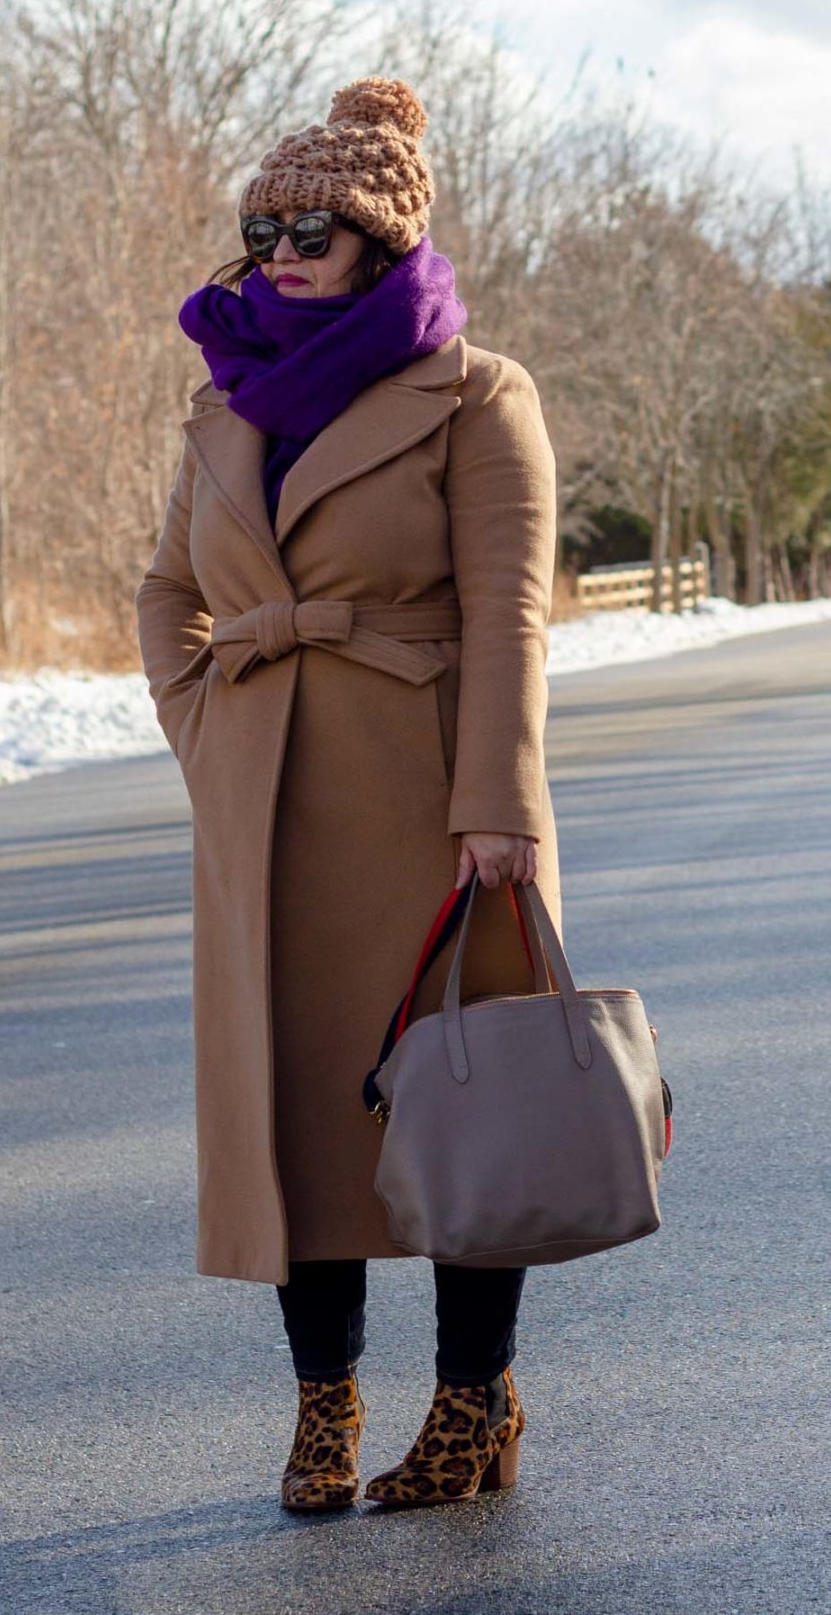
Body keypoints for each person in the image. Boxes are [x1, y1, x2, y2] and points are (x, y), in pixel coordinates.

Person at [134, 76, 564, 1511]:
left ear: (381, 236)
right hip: (265, 807)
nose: (282, 251)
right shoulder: (225, 404)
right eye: (261, 229)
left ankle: (469, 1402)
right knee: (296, 1113)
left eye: (313, 225)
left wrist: (495, 799)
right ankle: (323, 1410)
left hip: (440, 804)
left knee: (465, 1105)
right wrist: (201, 726)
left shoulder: (476, 394)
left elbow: (510, 612)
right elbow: (165, 587)